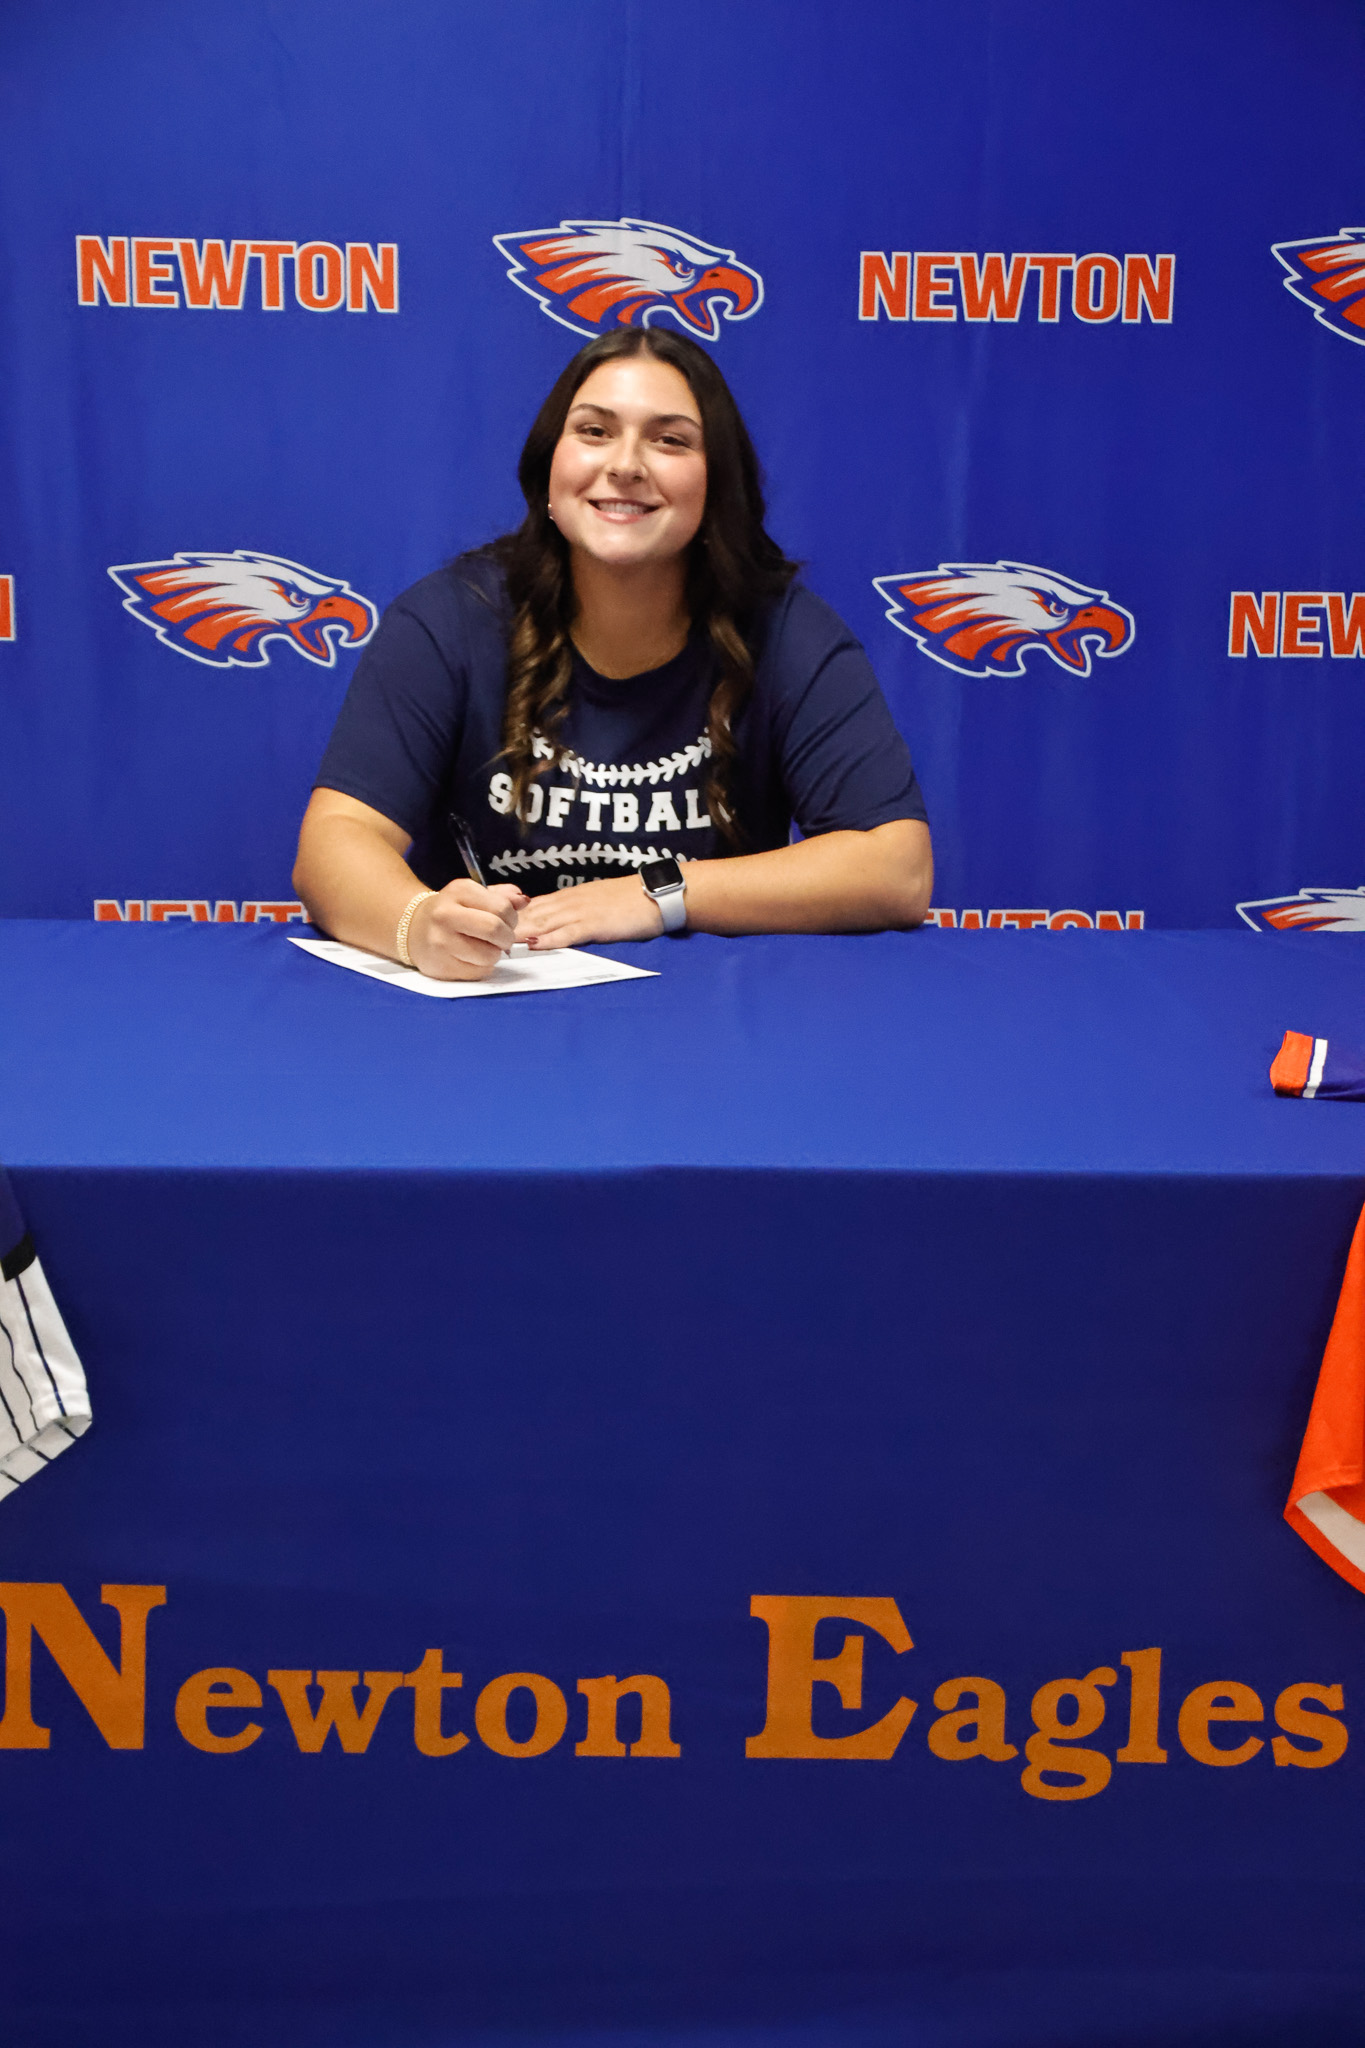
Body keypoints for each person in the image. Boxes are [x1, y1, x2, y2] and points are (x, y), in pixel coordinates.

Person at [294, 329, 932, 979]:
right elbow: (335, 837)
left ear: (716, 484)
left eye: (670, 440)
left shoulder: (784, 631)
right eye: (594, 431)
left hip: (707, 1006)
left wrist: (658, 894)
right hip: (488, 1002)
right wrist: (413, 924)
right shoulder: (450, 619)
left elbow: (897, 867)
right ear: (549, 470)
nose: (626, 464)